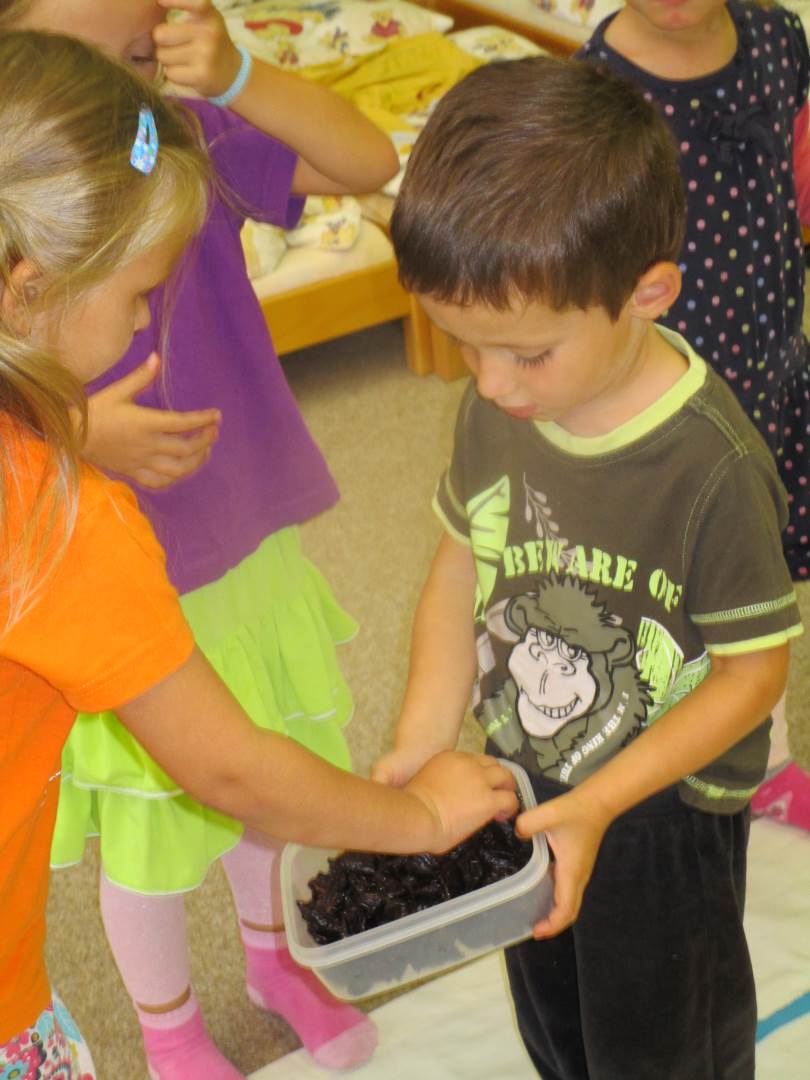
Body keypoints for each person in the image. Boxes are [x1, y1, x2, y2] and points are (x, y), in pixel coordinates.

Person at [0, 29, 519, 1080]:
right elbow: (230, 764)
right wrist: (418, 816)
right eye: (137, 296)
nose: (144, 322)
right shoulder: (59, 520)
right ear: (30, 285)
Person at [376, 56, 803, 1079]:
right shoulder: (499, 405)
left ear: (648, 293)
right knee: (557, 1021)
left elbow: (754, 674)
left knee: (664, 1045)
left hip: (661, 811)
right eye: (463, 344)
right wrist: (420, 741)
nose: (491, 383)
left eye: (526, 353)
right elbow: (458, 566)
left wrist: (607, 800)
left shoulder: (712, 467)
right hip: (522, 775)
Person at [578, 0, 810, 830]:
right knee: (674, 590)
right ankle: (655, 757)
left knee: (756, 579)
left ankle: (766, 756)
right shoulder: (596, 90)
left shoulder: (778, 39)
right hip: (668, 403)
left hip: (769, 371)